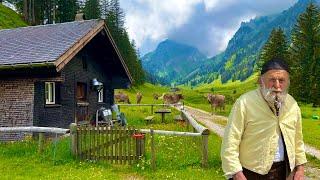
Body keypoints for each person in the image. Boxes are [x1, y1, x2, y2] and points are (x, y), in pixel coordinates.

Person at [221, 58, 307, 180]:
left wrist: (300, 169)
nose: (277, 86)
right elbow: (230, 141)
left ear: (288, 82)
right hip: (250, 174)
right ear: (261, 81)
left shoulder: (292, 104)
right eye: (272, 80)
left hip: (284, 172)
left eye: (281, 80)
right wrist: (236, 173)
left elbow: (298, 140)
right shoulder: (244, 103)